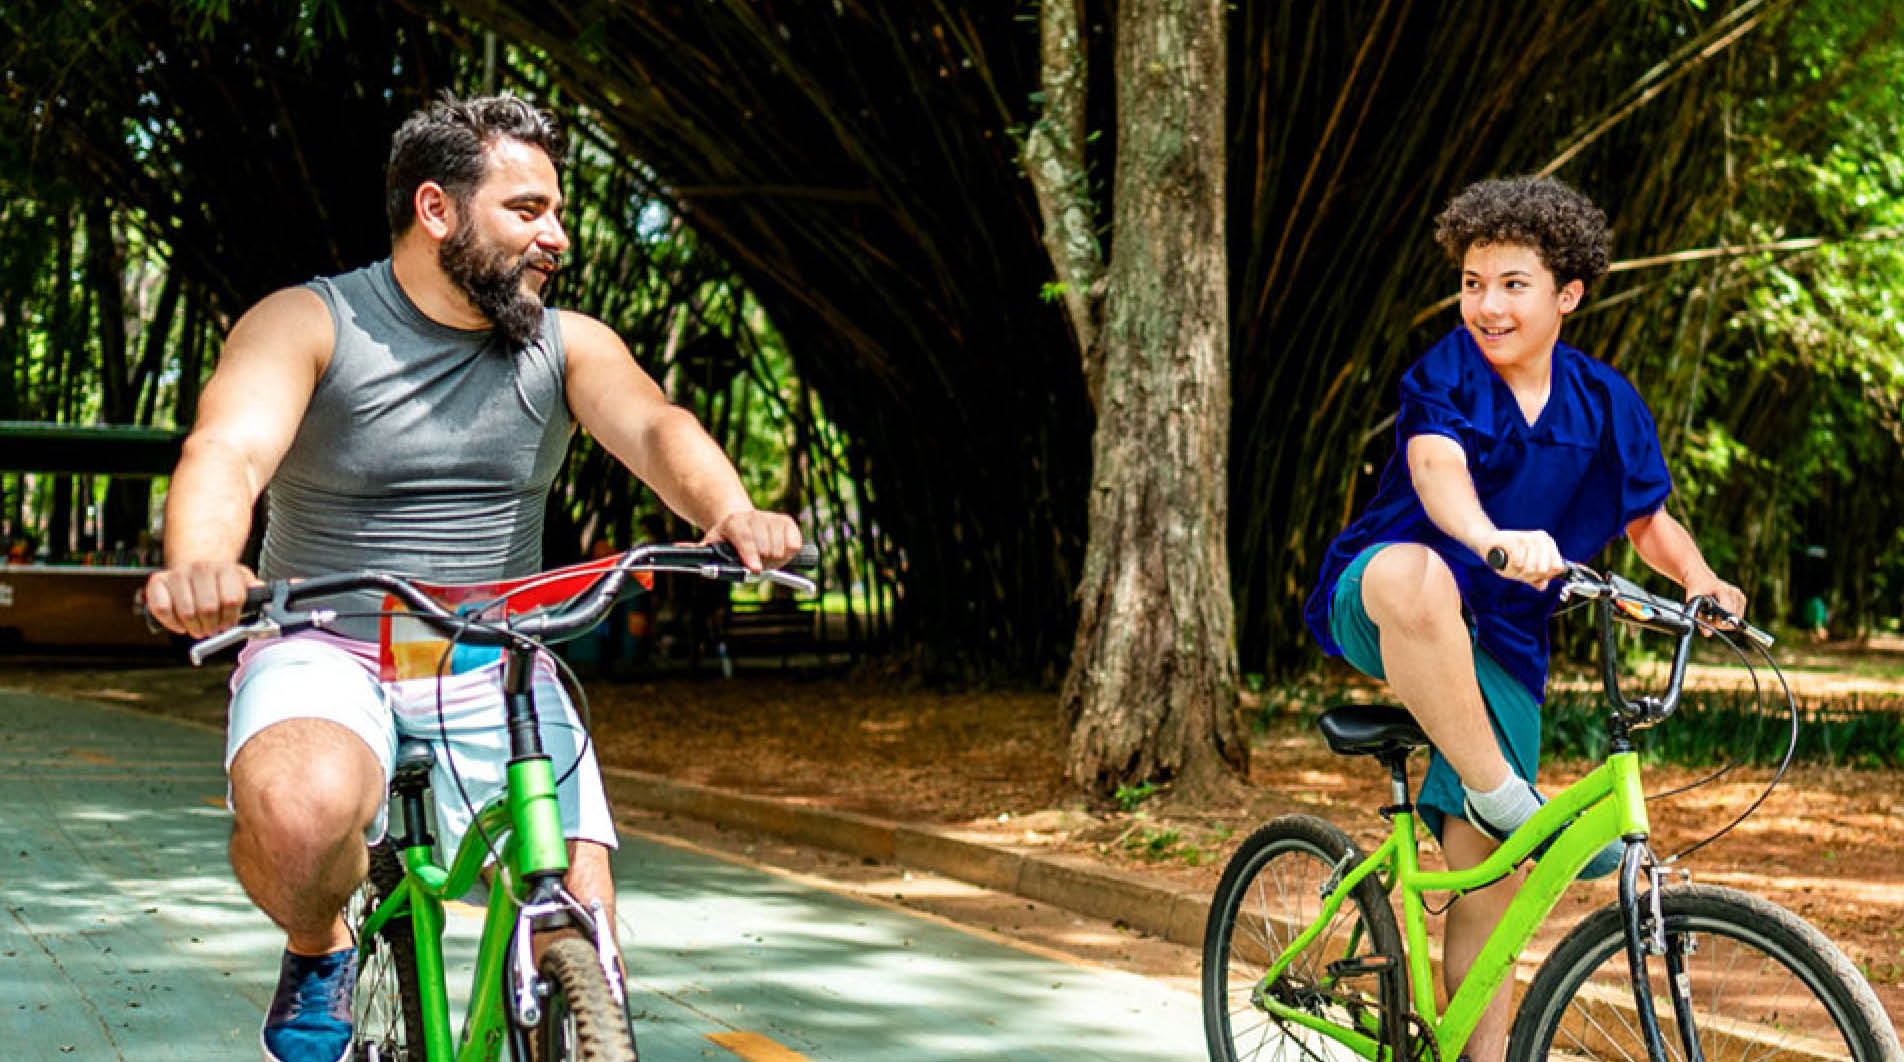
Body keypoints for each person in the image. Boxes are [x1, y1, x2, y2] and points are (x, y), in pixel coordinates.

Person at [143, 93, 802, 1062]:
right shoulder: (309, 321)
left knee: (579, 906)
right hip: (328, 643)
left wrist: (728, 512)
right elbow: (229, 448)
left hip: (496, 652)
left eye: (558, 212)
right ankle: (318, 942)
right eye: (527, 211)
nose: (558, 238)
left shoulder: (564, 344)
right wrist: (202, 559)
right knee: (304, 808)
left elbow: (656, 426)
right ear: (436, 210)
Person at [1302, 175, 1746, 1062]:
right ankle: (1505, 794)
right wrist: (1492, 540)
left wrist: (1702, 579)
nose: (1487, 305)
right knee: (1425, 579)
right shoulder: (1446, 373)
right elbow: (1436, 476)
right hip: (1389, 592)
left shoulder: (1606, 401)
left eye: (1512, 284)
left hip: (1502, 639)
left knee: (1488, 887)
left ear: (1566, 294)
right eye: (1473, 282)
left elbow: (1646, 518)